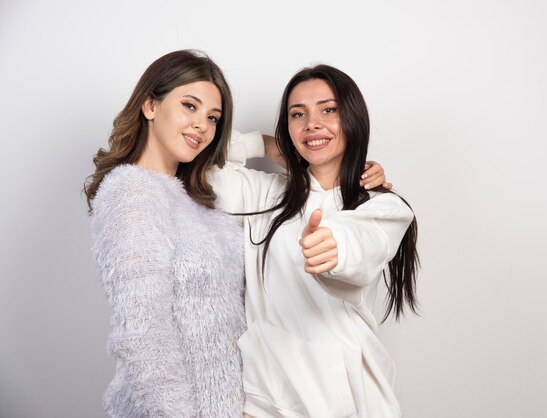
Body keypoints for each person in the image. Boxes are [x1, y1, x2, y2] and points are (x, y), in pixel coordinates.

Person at [84, 50, 389, 417]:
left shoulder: (194, 194)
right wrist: (267, 144)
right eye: (189, 106)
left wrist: (358, 180)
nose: (201, 125)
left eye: (213, 117)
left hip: (236, 403)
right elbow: (143, 336)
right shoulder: (132, 194)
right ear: (150, 105)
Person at [210, 64, 419, 417]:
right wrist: (263, 143)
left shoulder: (384, 205)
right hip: (267, 398)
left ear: (352, 117)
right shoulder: (263, 195)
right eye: (297, 114)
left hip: (351, 399)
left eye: (329, 109)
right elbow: (196, 165)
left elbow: (364, 243)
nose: (312, 124)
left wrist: (335, 248)